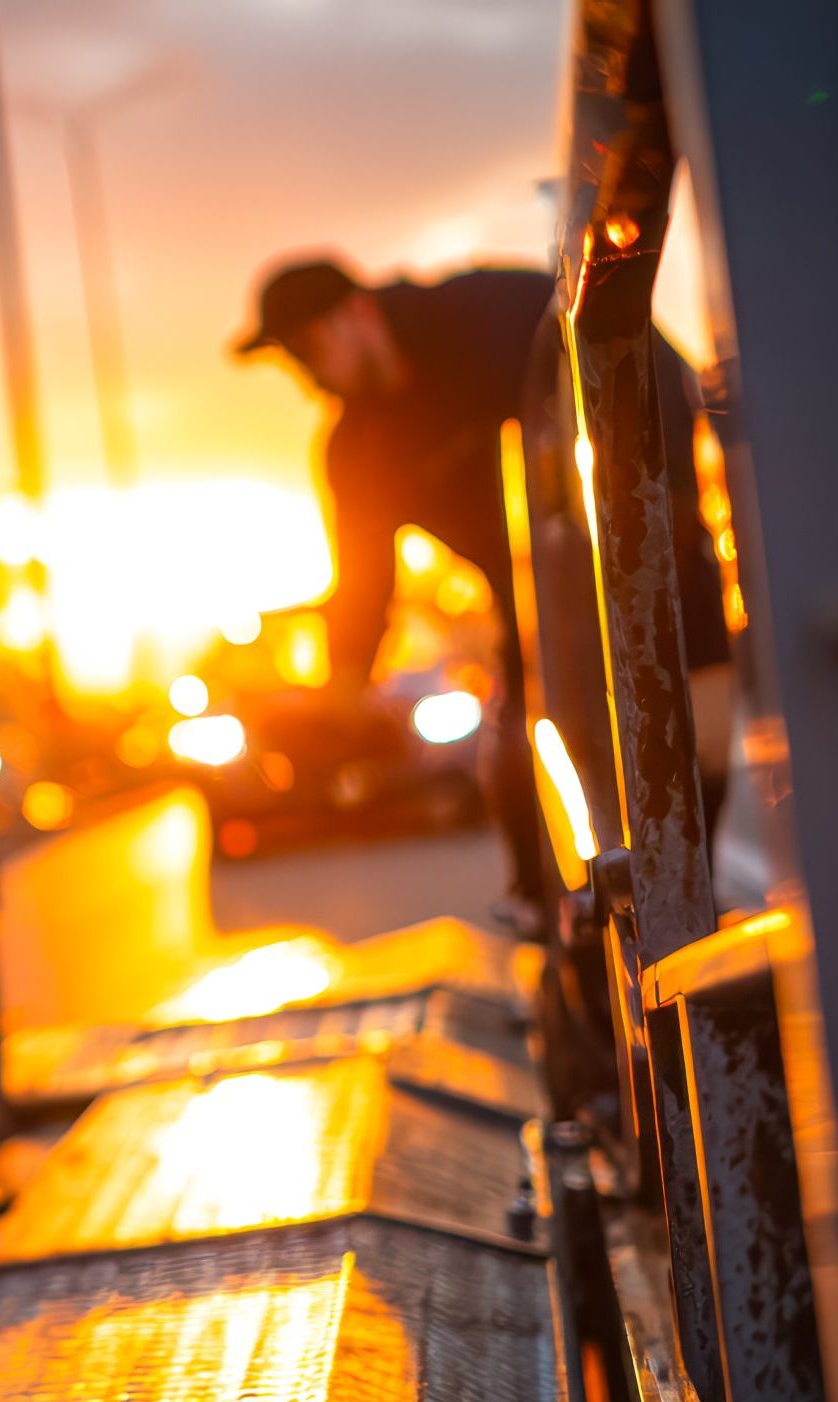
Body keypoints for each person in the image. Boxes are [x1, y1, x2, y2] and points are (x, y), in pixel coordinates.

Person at [232, 256, 732, 917]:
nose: (308, 377)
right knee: (521, 759)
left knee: (699, 735)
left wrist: (657, 515)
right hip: (529, 606)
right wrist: (343, 688)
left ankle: (699, 893)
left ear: (357, 312)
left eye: (308, 349)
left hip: (646, 548)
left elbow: (645, 366)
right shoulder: (358, 449)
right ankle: (553, 921)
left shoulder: (498, 315)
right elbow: (361, 580)